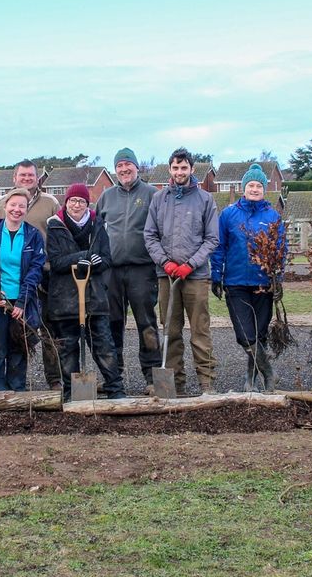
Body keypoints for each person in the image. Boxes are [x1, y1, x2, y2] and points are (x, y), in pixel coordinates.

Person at [144, 147, 220, 394]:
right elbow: (150, 235)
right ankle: (175, 385)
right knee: (171, 331)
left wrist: (190, 265)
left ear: (191, 169)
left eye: (183, 167)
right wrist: (165, 263)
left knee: (200, 331)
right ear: (170, 169)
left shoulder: (205, 200)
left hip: (195, 277)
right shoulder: (159, 199)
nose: (179, 172)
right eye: (175, 168)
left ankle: (206, 384)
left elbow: (211, 239)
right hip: (166, 276)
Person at [46, 183, 126, 401]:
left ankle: (115, 388)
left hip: (94, 296)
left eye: (81, 201)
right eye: (73, 200)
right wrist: (79, 258)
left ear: (87, 203)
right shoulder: (55, 226)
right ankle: (73, 391)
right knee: (68, 348)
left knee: (104, 345)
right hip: (65, 299)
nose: (77, 205)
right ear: (66, 202)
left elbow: (107, 259)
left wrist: (98, 264)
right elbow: (55, 261)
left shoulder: (97, 225)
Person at [210, 164, 285, 392]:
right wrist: (216, 275)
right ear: (243, 188)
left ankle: (251, 381)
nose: (254, 189)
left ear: (264, 189)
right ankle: (269, 373)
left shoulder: (272, 216)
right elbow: (219, 246)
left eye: (258, 185)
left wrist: (278, 277)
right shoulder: (229, 214)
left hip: (263, 284)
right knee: (245, 334)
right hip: (236, 282)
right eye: (250, 185)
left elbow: (280, 248)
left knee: (259, 335)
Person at [0, 160, 62, 389]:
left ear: (37, 177)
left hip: (45, 274)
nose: (27, 178)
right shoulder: (1, 204)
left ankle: (54, 379)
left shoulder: (50, 203)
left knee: (49, 329)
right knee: (18, 333)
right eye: (23, 175)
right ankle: (12, 384)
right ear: (14, 178)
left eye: (31, 175)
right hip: (11, 281)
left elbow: (60, 235)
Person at [95, 147, 161, 392]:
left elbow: (160, 230)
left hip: (142, 270)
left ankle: (153, 377)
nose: (124, 170)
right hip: (110, 271)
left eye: (127, 165)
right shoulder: (106, 197)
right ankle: (114, 375)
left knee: (146, 323)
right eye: (119, 166)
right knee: (112, 323)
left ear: (136, 167)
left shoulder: (152, 195)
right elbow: (97, 230)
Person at [0, 188, 46, 391]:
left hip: (20, 302)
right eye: (13, 205)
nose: (17, 209)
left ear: (26, 209)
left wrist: (22, 301)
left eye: (22, 206)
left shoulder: (33, 236)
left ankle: (17, 392)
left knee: (18, 348)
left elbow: (35, 270)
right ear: (5, 206)